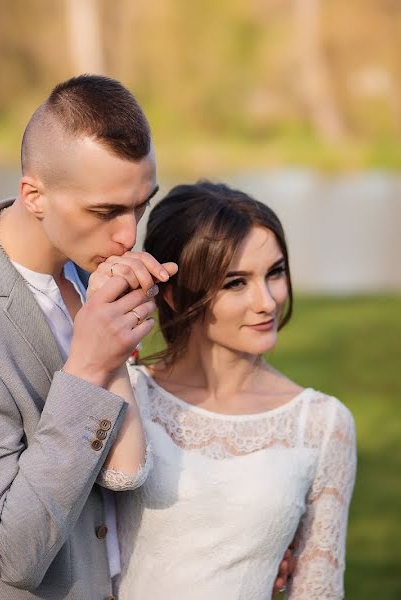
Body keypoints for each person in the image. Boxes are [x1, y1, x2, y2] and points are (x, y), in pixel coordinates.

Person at [0, 76, 294, 599]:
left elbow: (122, 469)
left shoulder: (92, 265)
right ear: (34, 194)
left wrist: (244, 543)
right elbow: (12, 551)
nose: (128, 235)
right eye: (105, 212)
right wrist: (85, 368)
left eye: (140, 206)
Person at [93, 182, 357, 599]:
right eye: (236, 282)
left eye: (275, 272)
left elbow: (318, 590)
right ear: (176, 296)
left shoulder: (322, 425)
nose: (267, 301)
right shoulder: (126, 392)